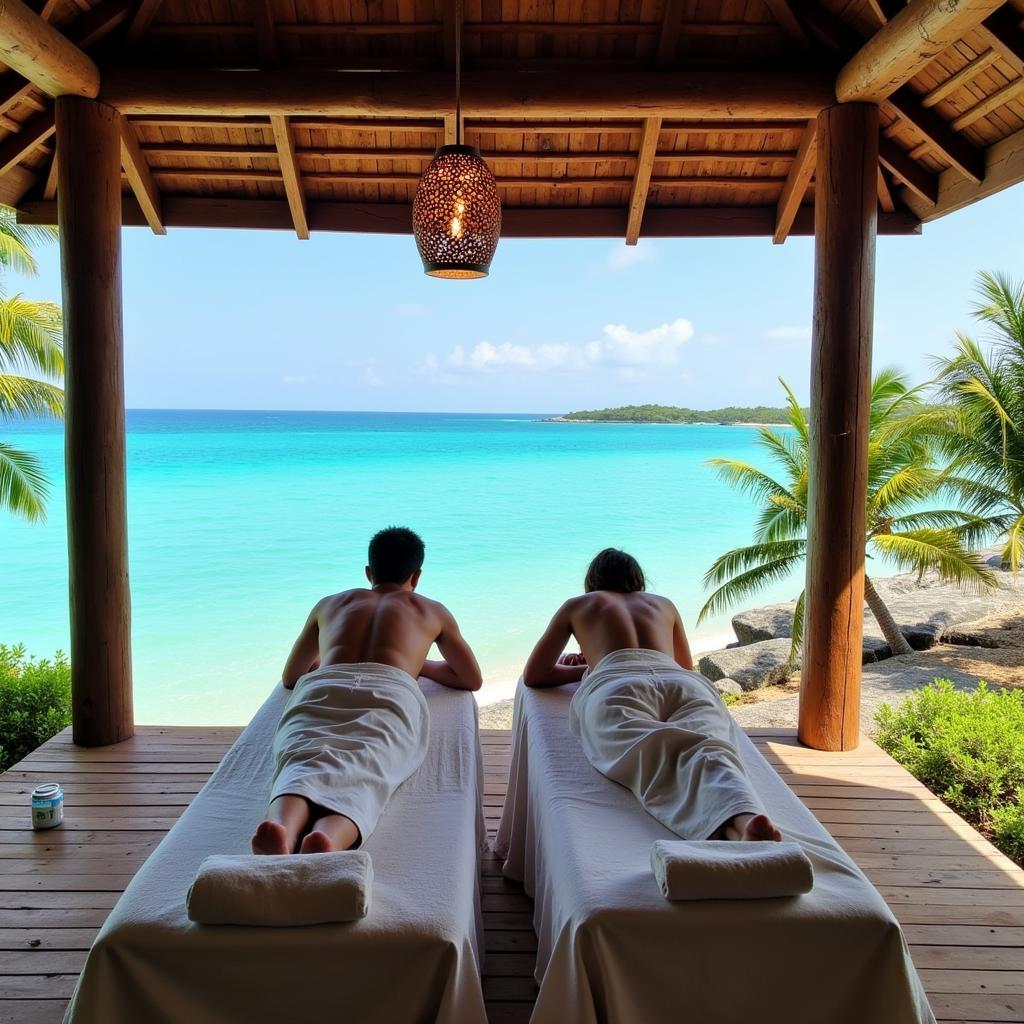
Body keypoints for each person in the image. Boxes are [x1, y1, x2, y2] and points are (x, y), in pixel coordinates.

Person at [523, 547, 781, 843]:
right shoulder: (663, 604)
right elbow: (684, 665)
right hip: (681, 683)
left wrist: (587, 667)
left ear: (592, 581)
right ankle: (743, 822)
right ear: (638, 580)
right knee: (708, 747)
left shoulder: (578, 605)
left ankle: (732, 827)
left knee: (654, 751)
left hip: (616, 684)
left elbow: (535, 674)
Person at [252, 526, 482, 856]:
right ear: (415, 576)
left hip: (326, 685)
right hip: (390, 689)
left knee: (304, 755)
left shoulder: (330, 604)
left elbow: (292, 676)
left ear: (368, 572)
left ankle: (283, 829)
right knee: (369, 765)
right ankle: (329, 837)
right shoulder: (430, 610)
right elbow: (469, 678)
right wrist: (416, 663)